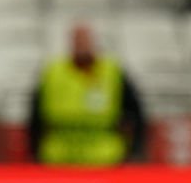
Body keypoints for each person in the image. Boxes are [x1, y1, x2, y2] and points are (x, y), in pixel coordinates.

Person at [28, 23, 146, 165]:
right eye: (77, 40)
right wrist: (34, 151)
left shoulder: (112, 71)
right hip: (59, 154)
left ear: (94, 42)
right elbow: (35, 115)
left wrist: (135, 149)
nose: (81, 44)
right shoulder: (53, 72)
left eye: (85, 40)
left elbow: (135, 111)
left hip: (104, 155)